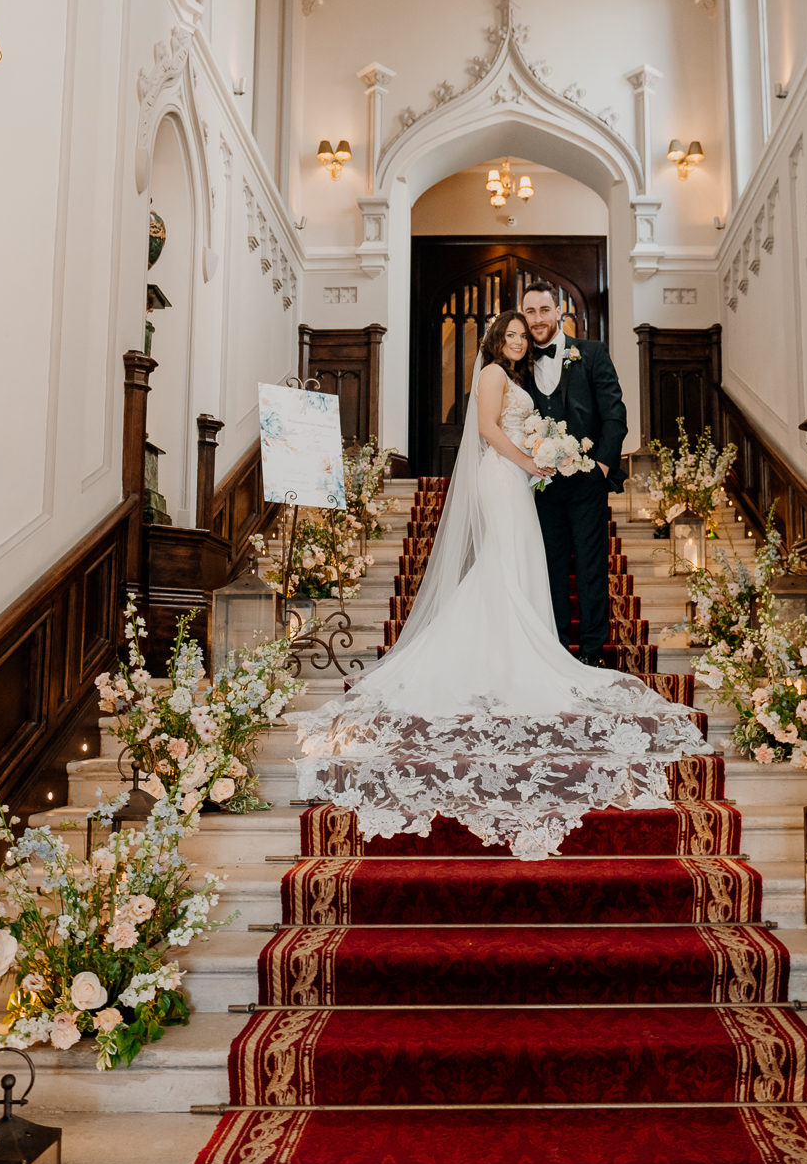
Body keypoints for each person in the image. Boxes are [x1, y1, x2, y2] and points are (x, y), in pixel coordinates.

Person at [292, 310, 708, 860]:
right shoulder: (491, 374)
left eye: (521, 335)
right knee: (505, 560)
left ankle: (511, 648)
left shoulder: (516, 377)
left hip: (518, 477)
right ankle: (507, 654)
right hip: (502, 475)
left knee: (517, 561)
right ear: (496, 340)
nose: (516, 340)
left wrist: (541, 458)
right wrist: (530, 463)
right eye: (509, 334)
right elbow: (488, 431)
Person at [519, 286, 628, 664]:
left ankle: (595, 653)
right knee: (548, 567)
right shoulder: (518, 362)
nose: (537, 318)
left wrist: (600, 465)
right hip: (541, 483)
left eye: (544, 309)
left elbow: (615, 414)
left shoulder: (592, 352)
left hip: (586, 481)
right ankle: (558, 651)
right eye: (529, 311)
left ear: (559, 311)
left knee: (591, 566)